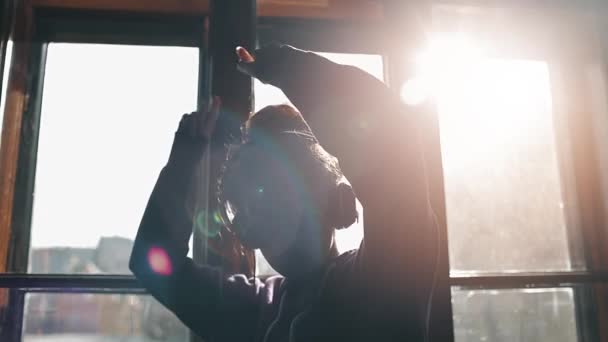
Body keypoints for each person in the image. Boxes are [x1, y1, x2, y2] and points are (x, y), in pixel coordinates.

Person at [130, 44, 438, 341]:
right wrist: (184, 158)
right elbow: (153, 263)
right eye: (240, 202)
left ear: (334, 198)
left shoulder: (384, 275)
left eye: (267, 186)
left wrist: (286, 67)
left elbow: (394, 148)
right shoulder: (256, 305)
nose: (249, 217)